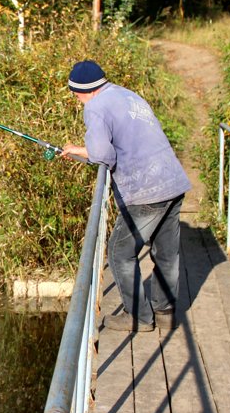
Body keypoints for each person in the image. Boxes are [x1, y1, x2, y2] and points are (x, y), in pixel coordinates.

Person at [61, 60, 191, 332]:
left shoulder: (95, 106)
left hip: (146, 190)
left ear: (83, 90)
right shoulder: (127, 94)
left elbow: (103, 155)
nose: (75, 98)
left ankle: (139, 317)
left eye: (75, 93)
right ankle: (165, 312)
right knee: (166, 252)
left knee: (120, 252)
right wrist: (81, 150)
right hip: (173, 181)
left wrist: (77, 150)